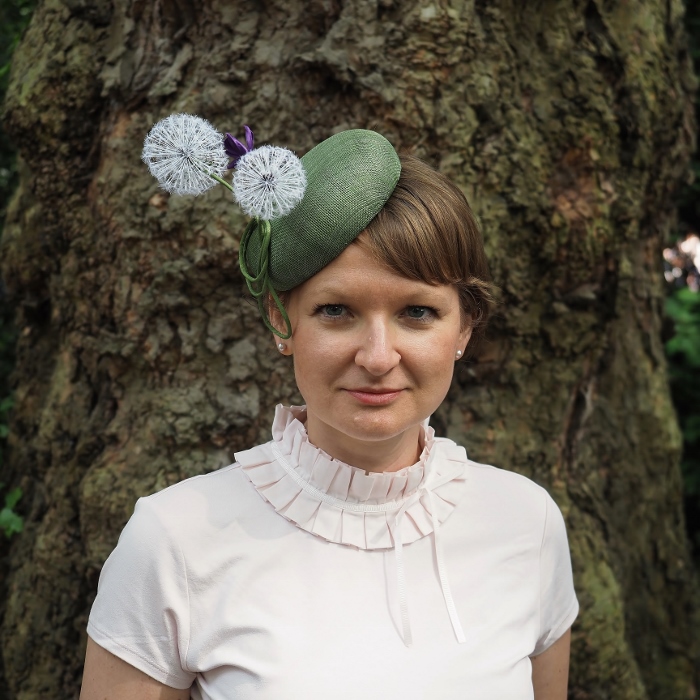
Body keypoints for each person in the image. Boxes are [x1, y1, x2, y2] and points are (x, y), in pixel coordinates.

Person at [80, 126, 578, 699]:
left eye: (417, 312)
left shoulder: (525, 522)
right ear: (280, 320)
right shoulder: (175, 541)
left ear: (464, 327)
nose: (377, 356)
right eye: (336, 310)